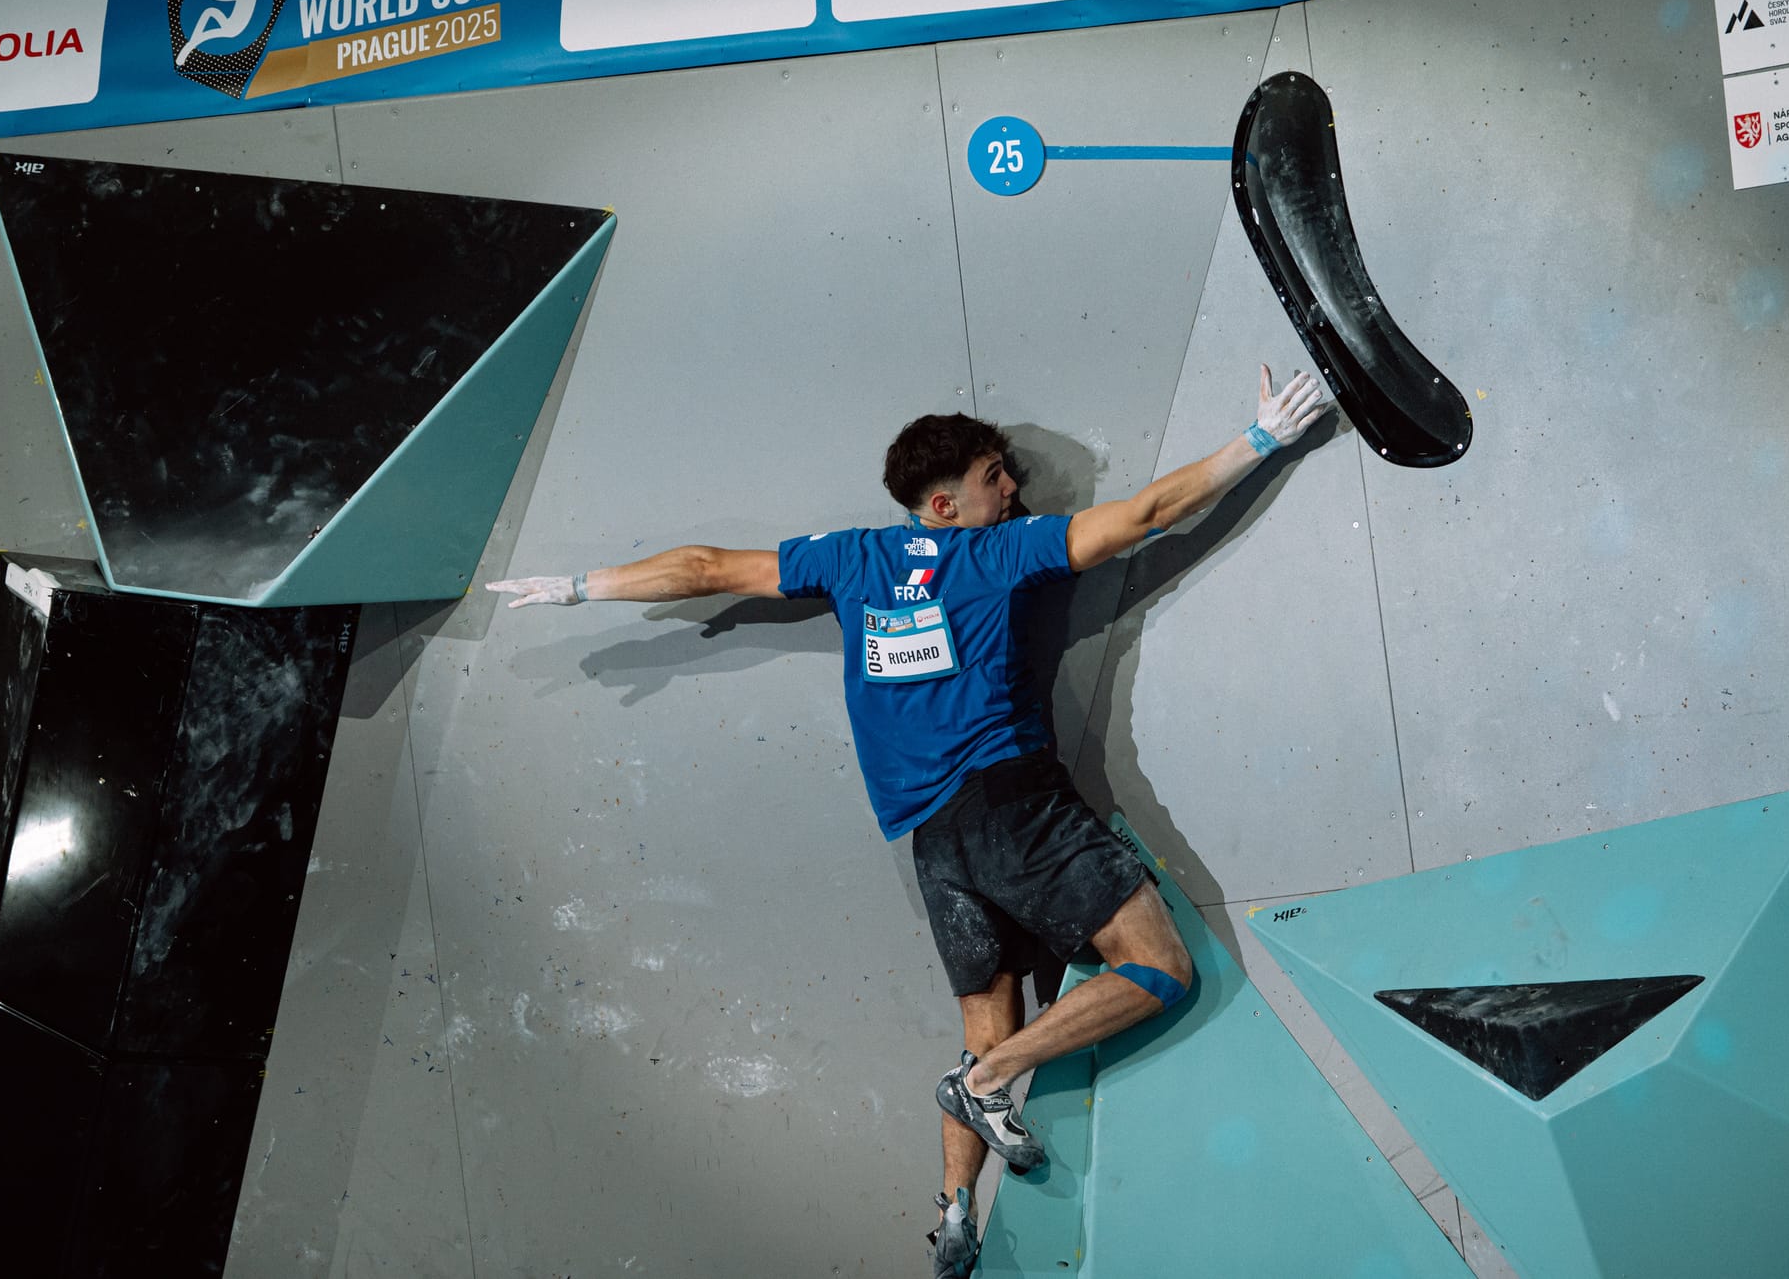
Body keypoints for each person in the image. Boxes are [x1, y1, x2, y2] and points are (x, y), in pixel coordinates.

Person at [491, 364, 1330, 1276]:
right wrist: (1261, 440)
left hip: (935, 843)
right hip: (1014, 808)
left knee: (985, 1016)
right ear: (942, 504)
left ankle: (958, 1213)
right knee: (1160, 968)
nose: (1014, 489)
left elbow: (701, 568)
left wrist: (578, 586)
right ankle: (976, 1086)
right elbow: (1145, 515)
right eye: (992, 479)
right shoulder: (995, 554)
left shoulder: (850, 560)